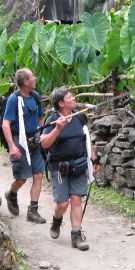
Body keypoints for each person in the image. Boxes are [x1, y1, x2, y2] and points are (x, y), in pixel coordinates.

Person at [40, 87, 99, 251]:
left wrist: (94, 158)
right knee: (62, 204)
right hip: (59, 167)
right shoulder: (52, 119)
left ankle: (76, 235)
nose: (73, 98)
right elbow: (44, 143)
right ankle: (56, 220)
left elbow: (86, 139)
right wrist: (58, 129)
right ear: (61, 103)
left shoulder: (78, 116)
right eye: (70, 96)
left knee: (76, 200)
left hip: (78, 165)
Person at [1, 68, 46, 224]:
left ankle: (32, 211)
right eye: (32, 77)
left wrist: (40, 133)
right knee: (21, 178)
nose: (35, 78)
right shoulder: (14, 99)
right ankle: (11, 194)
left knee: (38, 175)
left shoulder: (35, 96)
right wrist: (12, 146)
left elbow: (41, 116)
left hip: (34, 141)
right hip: (19, 141)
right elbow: (6, 123)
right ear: (26, 81)